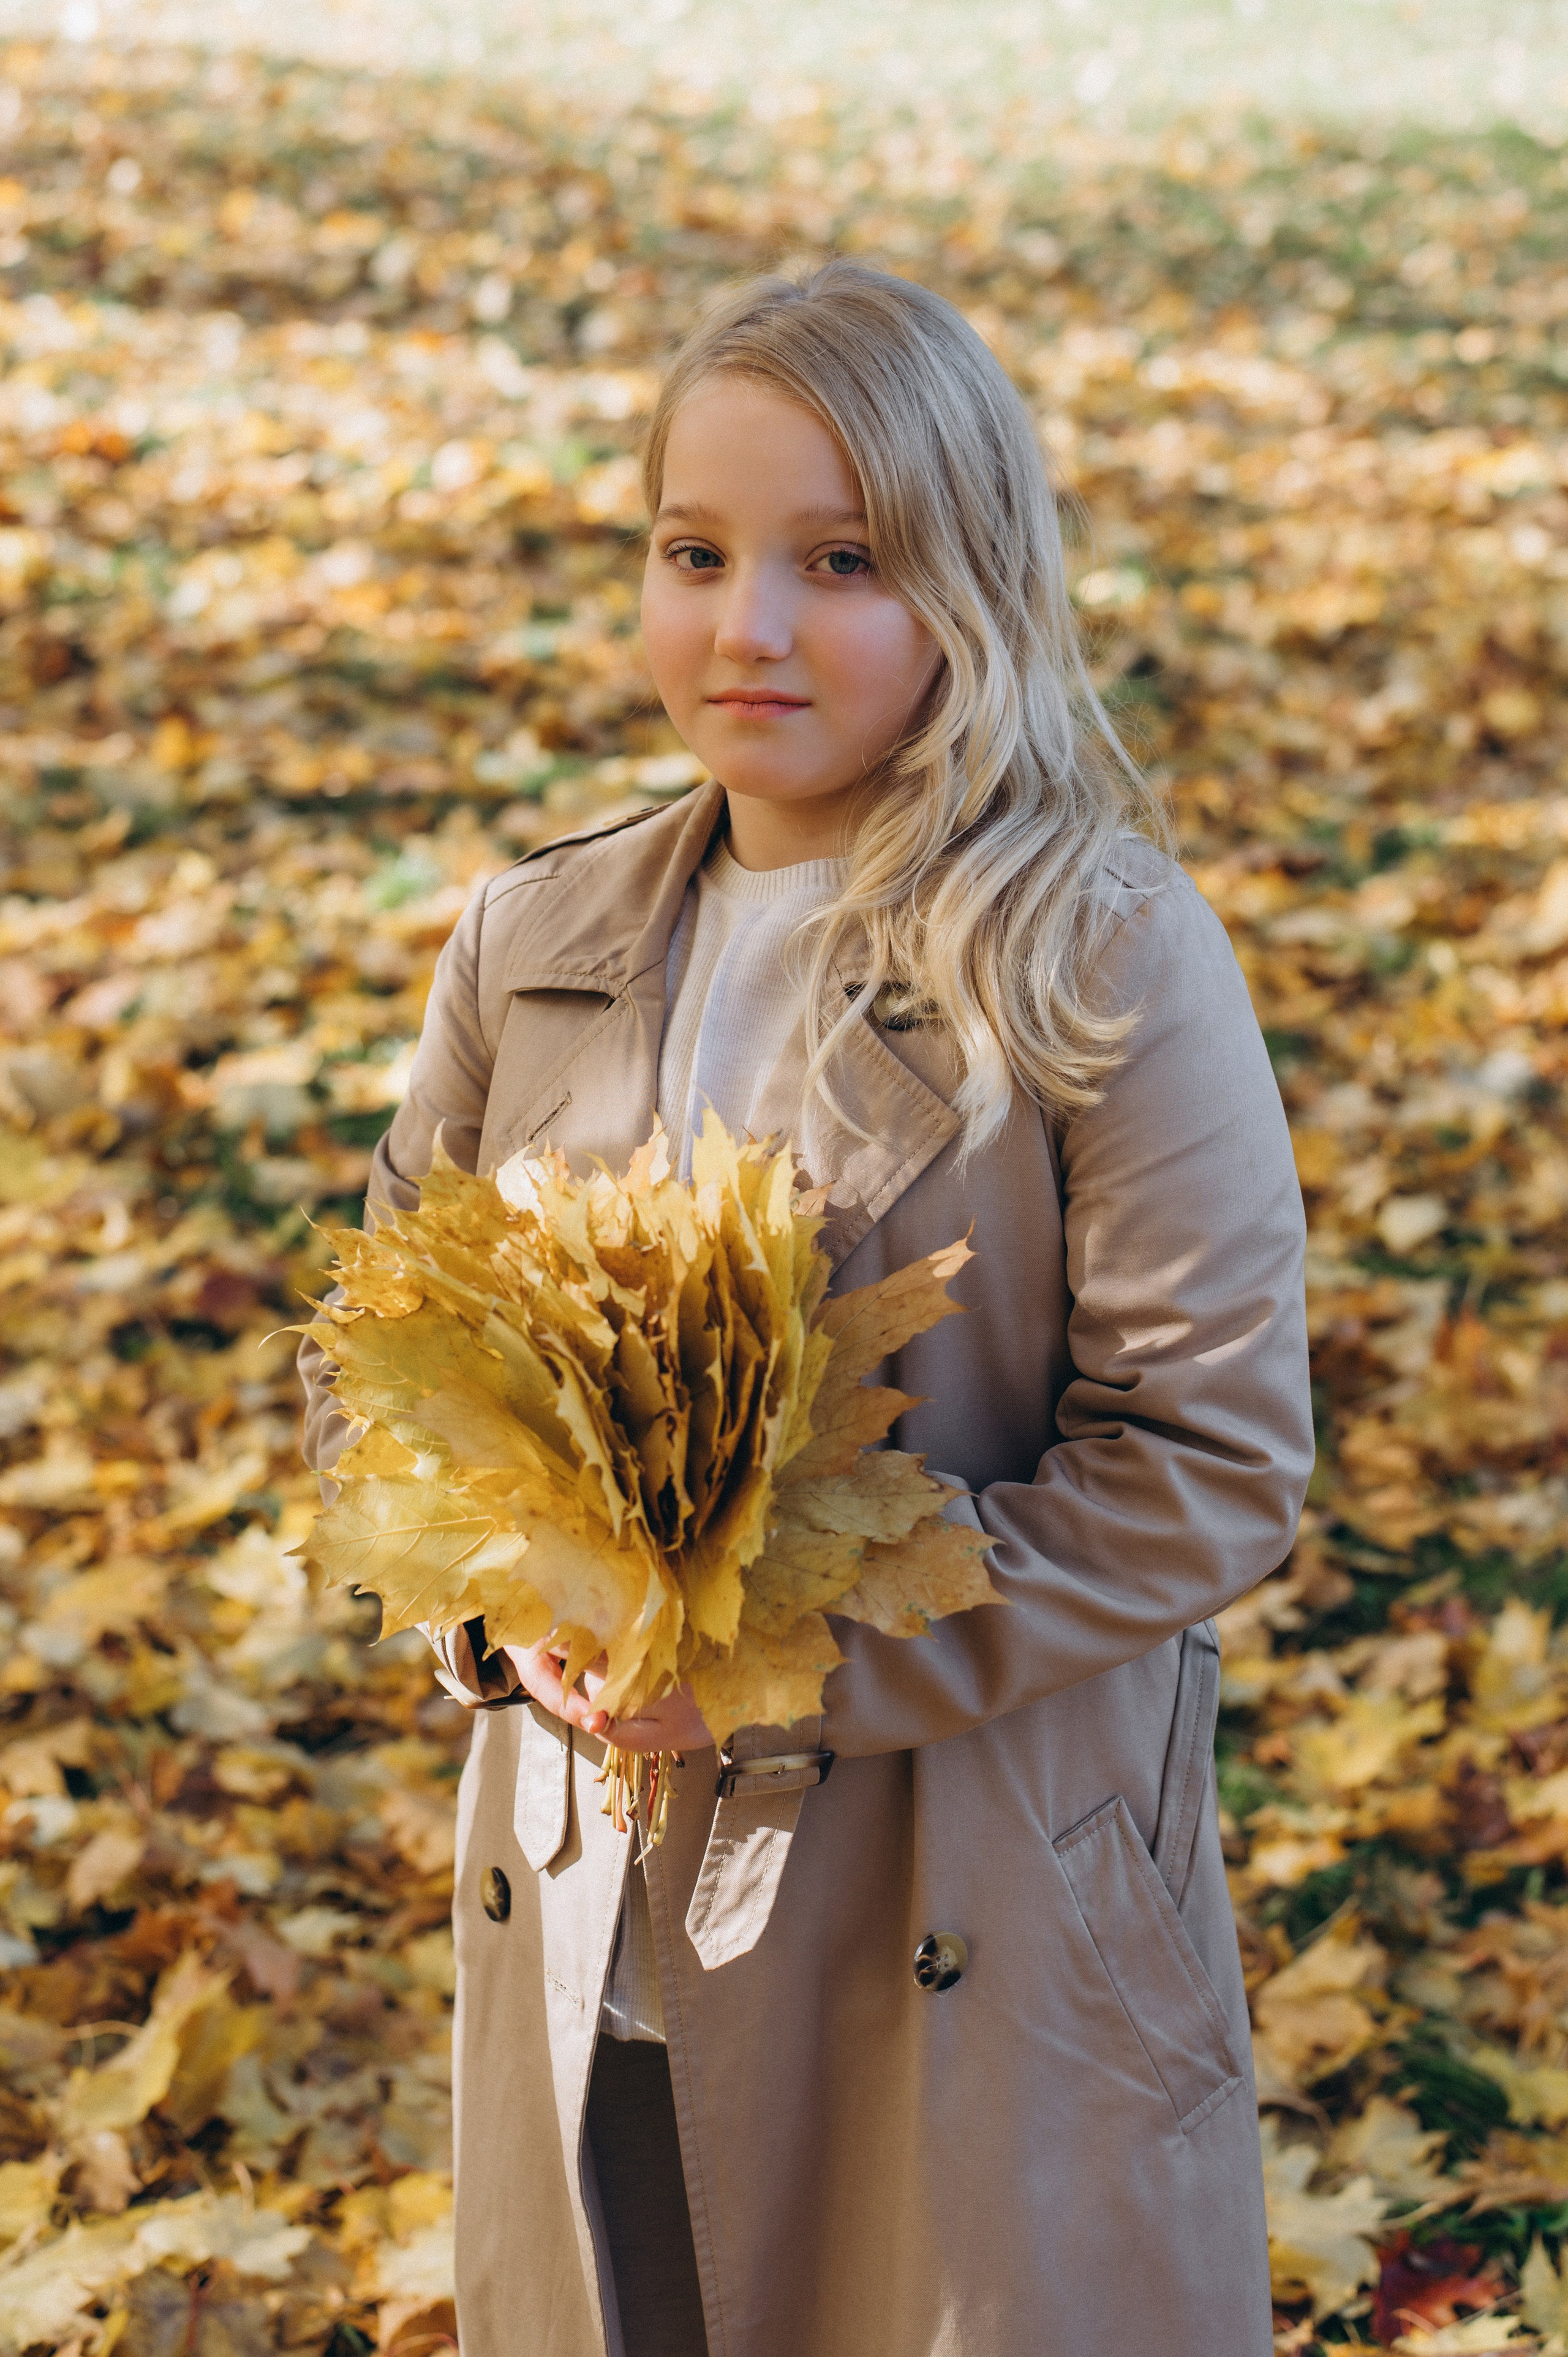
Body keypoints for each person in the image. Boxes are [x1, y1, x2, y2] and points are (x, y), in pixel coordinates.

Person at [299, 260, 1312, 2357]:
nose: (747, 627)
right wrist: (509, 1608)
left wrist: (786, 1660)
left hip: (963, 1911)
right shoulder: (532, 942)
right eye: (697, 552)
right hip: (602, 1904)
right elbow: (373, 1379)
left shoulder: (1095, 958)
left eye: (839, 561)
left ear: (971, 581)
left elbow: (1207, 1463)